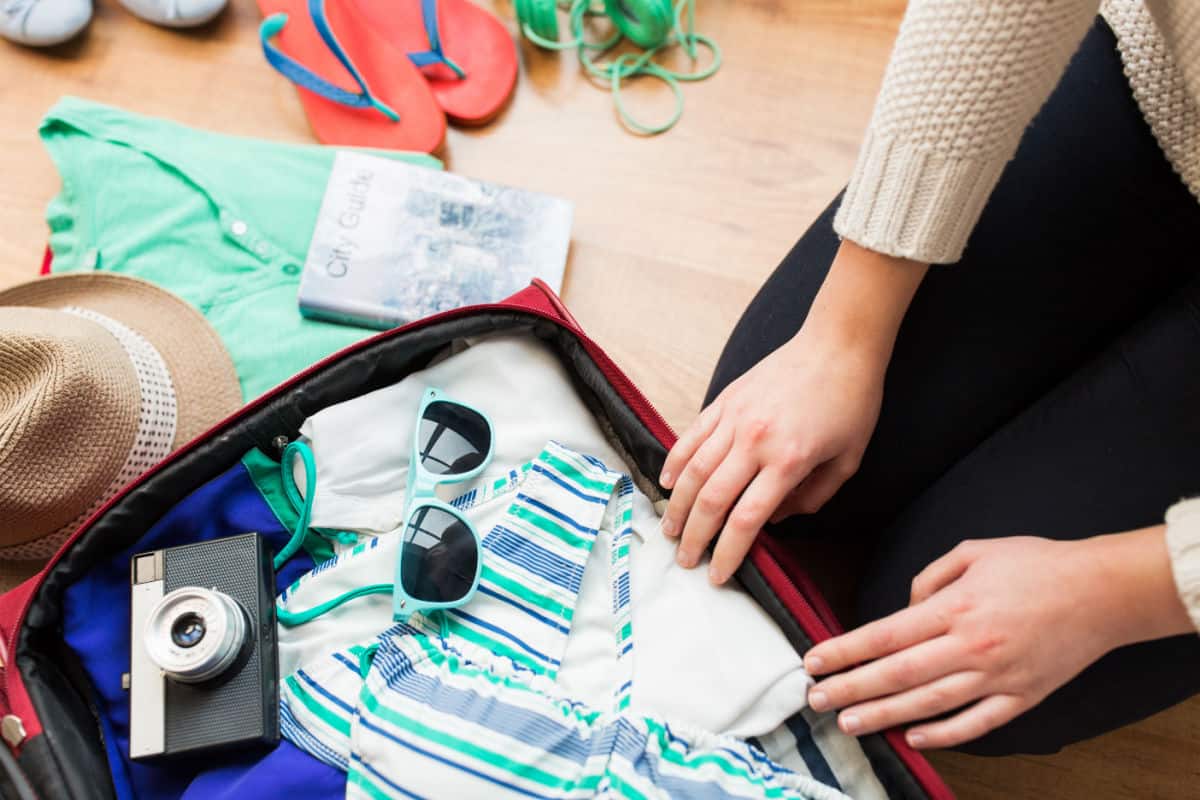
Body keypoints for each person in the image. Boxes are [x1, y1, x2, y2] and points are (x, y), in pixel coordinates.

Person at [659, 0, 1200, 757]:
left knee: (925, 627)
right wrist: (843, 337)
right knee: (778, 469)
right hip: (1172, 92)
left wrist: (1126, 589)